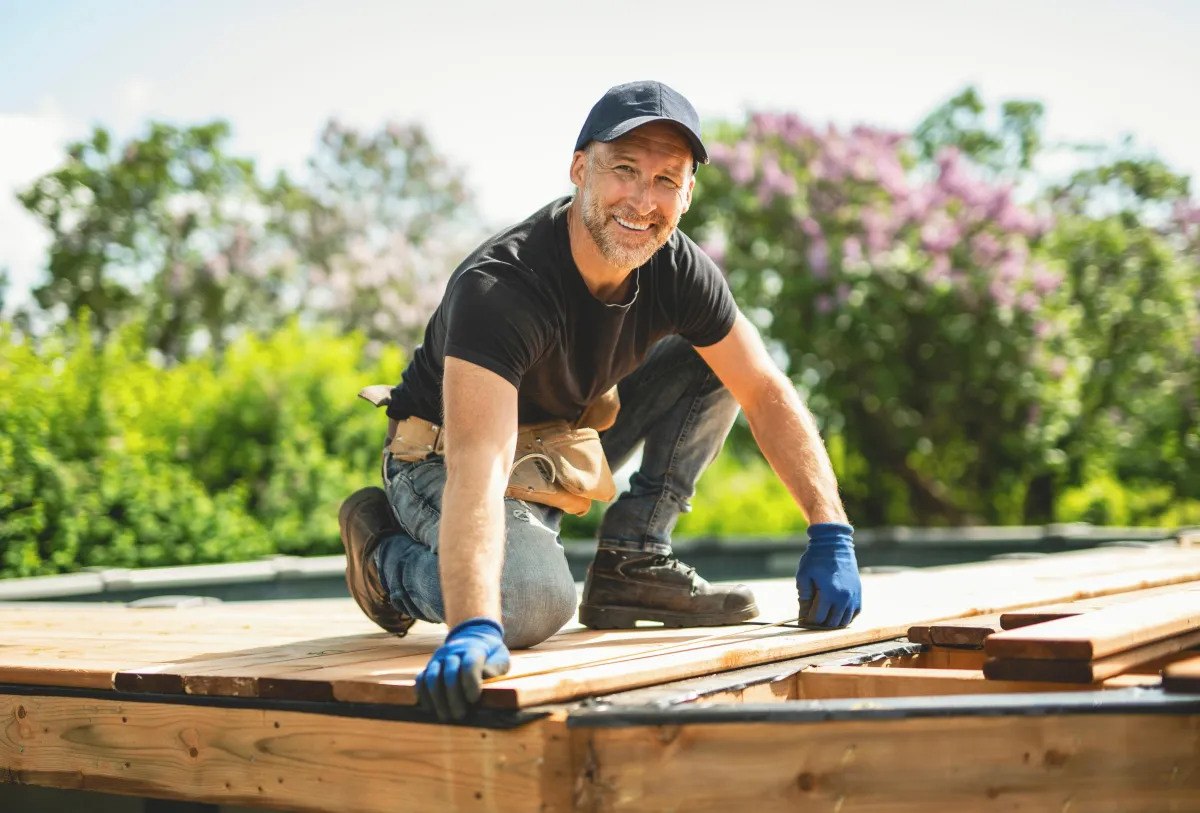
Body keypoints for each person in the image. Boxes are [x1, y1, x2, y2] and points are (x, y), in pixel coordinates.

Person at [339, 80, 862, 721]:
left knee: (719, 363)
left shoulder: (678, 267)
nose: (643, 201)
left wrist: (831, 530)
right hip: (445, 459)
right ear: (580, 170)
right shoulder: (504, 286)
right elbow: (479, 466)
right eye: (624, 171)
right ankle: (384, 558)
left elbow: (764, 388)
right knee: (530, 602)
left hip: (558, 443)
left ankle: (633, 563)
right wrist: (475, 623)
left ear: (689, 194)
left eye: (667, 180)